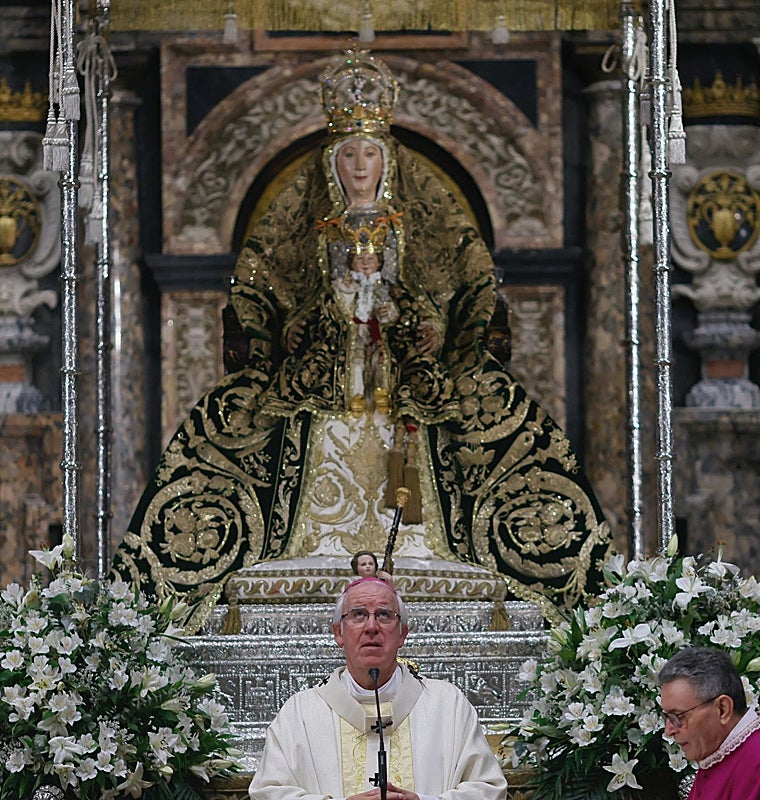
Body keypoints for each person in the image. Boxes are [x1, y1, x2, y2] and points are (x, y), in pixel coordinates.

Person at [111, 49, 612, 632]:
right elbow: (275, 291)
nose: (358, 166)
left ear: (385, 162)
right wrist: (320, 311)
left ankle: (414, 536)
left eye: (369, 154)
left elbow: (446, 294)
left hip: (399, 382)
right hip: (329, 375)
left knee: (422, 438)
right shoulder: (310, 231)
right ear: (332, 163)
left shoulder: (413, 227)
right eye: (348, 155)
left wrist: (410, 315)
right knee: (280, 428)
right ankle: (321, 534)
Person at [248, 576, 508, 800]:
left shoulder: (447, 705)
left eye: (384, 615)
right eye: (358, 614)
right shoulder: (301, 713)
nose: (371, 627)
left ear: (402, 633)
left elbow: (490, 789)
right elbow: (266, 793)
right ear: (338, 632)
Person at [658, 646, 760, 799]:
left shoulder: (755, 762)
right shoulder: (715, 754)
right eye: (667, 717)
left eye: (678, 716)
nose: (669, 730)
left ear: (722, 709)